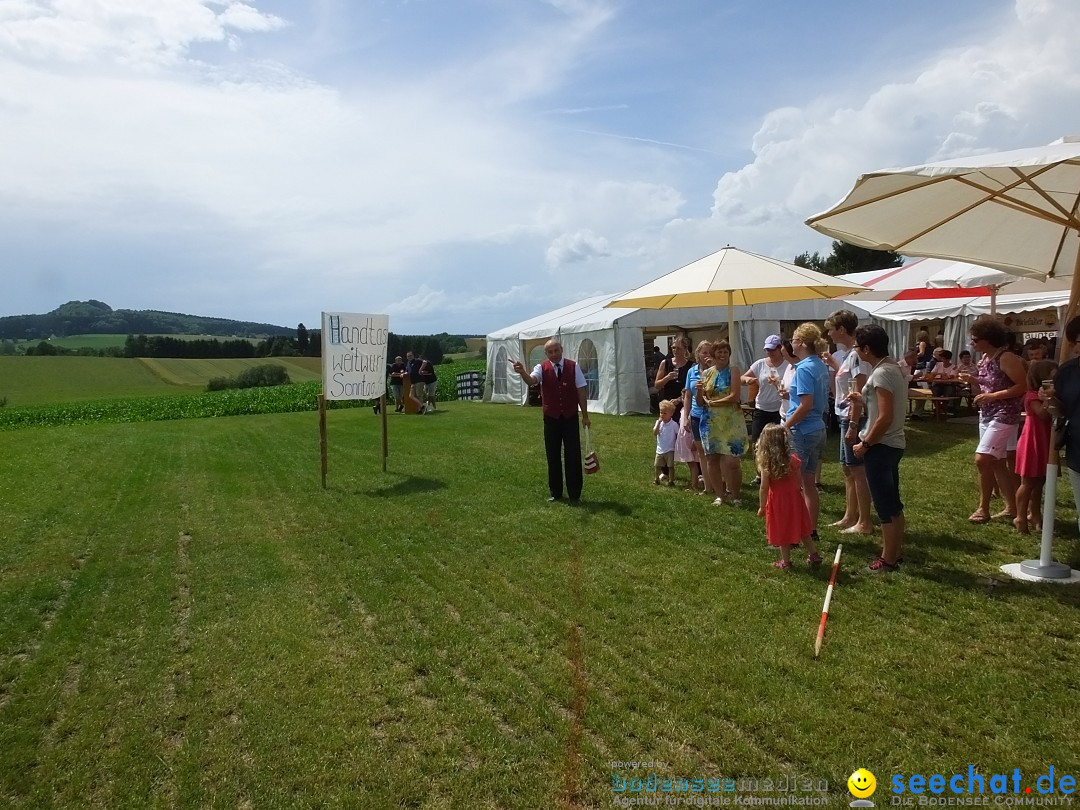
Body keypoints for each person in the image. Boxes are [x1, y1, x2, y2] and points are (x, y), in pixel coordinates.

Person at [848, 324, 908, 573]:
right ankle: (893, 551)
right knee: (893, 502)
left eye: (857, 346)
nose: (855, 350)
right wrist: (862, 399)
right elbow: (883, 406)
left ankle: (888, 559)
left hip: (882, 445)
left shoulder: (882, 373)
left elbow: (884, 417)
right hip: (891, 444)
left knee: (885, 505)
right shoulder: (892, 368)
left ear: (867, 348)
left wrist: (866, 443)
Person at [960, 315, 1027, 524]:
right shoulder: (986, 359)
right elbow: (990, 382)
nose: (972, 343)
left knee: (983, 458)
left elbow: (1022, 386)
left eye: (975, 339)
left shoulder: (1006, 358)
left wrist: (992, 396)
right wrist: (974, 380)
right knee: (997, 462)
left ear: (988, 339)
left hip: (1005, 414)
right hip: (988, 413)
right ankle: (1012, 507)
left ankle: (983, 508)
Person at [512, 339, 591, 504]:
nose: (554, 354)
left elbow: (581, 391)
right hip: (551, 419)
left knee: (573, 455)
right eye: (550, 352)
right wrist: (522, 373)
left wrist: (585, 415)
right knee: (553, 456)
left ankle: (575, 493)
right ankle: (556, 493)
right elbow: (532, 381)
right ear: (546, 353)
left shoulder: (573, 366)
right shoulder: (541, 368)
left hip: (570, 417)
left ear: (561, 349)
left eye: (556, 350)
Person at [823, 310, 873, 535]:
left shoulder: (857, 355)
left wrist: (853, 424)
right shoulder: (850, 354)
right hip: (844, 416)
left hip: (854, 417)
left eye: (831, 329)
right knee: (848, 468)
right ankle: (850, 515)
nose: (829, 334)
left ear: (842, 330)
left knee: (858, 470)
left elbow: (859, 388)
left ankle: (864, 521)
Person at [782, 323, 830, 539]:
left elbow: (806, 404)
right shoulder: (819, 365)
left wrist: (786, 426)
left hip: (802, 430)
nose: (791, 343)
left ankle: (793, 532)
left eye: (793, 339)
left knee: (792, 484)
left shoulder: (803, 368)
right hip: (818, 427)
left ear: (800, 343)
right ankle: (810, 529)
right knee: (809, 482)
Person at [755, 424, 822, 569]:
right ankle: (814, 554)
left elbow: (764, 487)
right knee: (803, 529)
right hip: (795, 499)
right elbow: (798, 481)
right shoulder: (793, 460)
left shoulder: (767, 464)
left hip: (778, 502)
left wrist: (762, 506)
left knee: (782, 530)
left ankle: (786, 562)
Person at [697, 339, 746, 505]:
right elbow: (701, 400)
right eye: (719, 351)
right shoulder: (706, 373)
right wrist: (699, 393)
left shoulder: (734, 371)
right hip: (710, 422)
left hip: (731, 420)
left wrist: (713, 403)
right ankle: (720, 495)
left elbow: (734, 397)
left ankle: (736, 495)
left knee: (732, 461)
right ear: (713, 354)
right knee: (712, 459)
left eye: (725, 352)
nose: (722, 355)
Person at [1014, 359, 1057, 534]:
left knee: (1040, 480)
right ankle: (1020, 516)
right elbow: (1042, 414)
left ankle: (1035, 515)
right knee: (1028, 482)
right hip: (1033, 441)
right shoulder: (1032, 395)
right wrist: (1047, 399)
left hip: (1045, 439)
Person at [741, 335, 789, 487]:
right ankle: (760, 475)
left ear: (780, 348)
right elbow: (742, 377)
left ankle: (779, 472)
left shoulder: (787, 364)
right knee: (758, 442)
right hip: (762, 407)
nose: (770, 352)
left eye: (773, 349)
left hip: (780, 408)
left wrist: (779, 384)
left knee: (779, 442)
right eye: (767, 349)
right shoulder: (760, 364)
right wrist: (747, 380)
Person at [1047, 316, 1080, 531]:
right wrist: (1049, 400)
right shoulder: (1067, 372)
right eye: (1076, 341)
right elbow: (1061, 410)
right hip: (1078, 449)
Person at [682, 341, 713, 494]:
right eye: (704, 352)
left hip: (713, 416)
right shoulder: (691, 372)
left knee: (714, 452)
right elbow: (688, 395)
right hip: (696, 415)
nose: (707, 355)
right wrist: (685, 417)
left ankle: (721, 485)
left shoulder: (717, 371)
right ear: (698, 354)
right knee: (702, 452)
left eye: (710, 352)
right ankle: (708, 487)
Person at [653, 399, 679, 486]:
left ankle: (671, 480)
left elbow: (677, 434)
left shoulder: (674, 424)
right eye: (661, 412)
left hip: (670, 448)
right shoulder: (659, 423)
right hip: (660, 448)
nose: (662, 415)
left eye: (665, 413)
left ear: (671, 414)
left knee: (670, 466)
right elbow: (655, 433)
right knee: (657, 465)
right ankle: (656, 479)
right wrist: (658, 424)